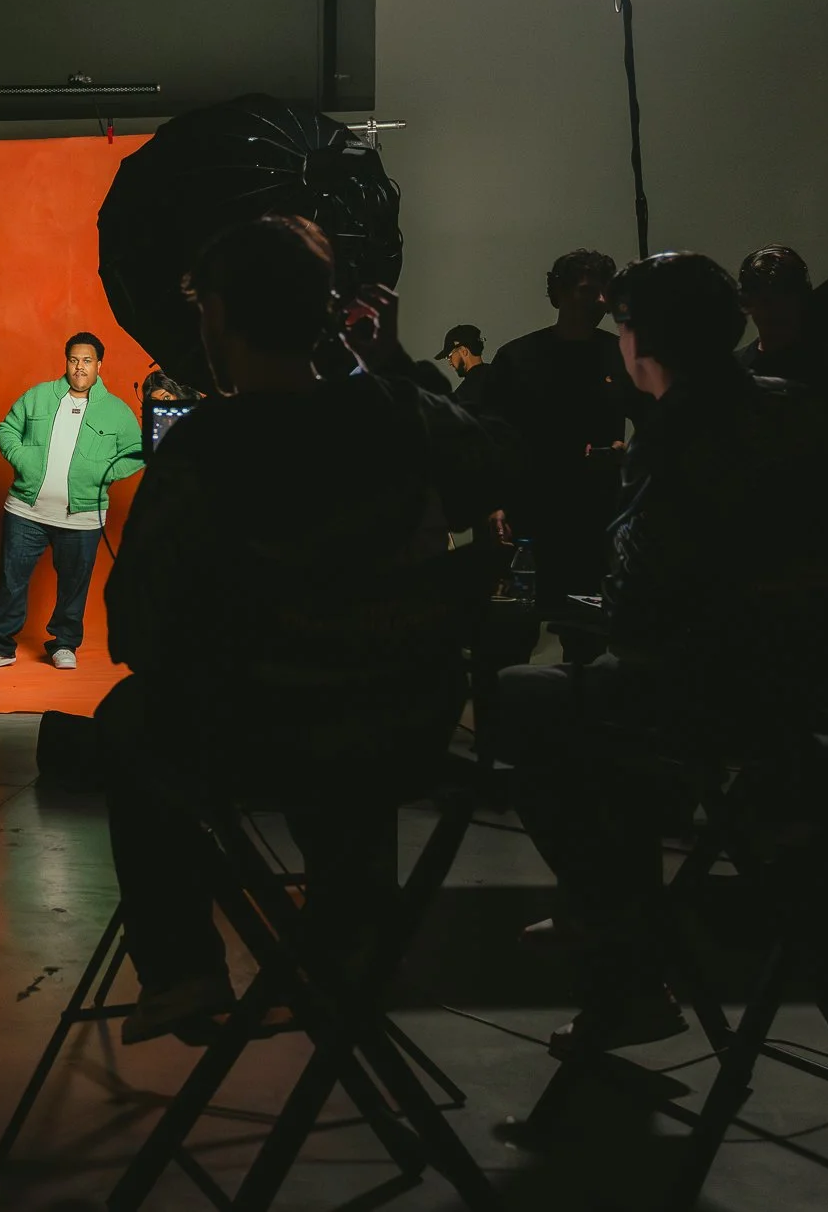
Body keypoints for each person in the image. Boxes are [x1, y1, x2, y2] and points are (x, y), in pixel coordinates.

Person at [97, 216, 518, 1042]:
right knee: (341, 728)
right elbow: (497, 472)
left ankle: (183, 971)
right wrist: (377, 368)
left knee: (130, 719)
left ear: (216, 315)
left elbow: (135, 632)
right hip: (407, 727)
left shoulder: (206, 448)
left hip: (268, 734)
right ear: (324, 314)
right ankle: (344, 953)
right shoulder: (404, 416)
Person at [498, 252, 828, 1051]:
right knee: (620, 765)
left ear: (642, 341)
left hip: (704, 697)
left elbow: (638, 610)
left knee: (523, 695)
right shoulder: (801, 408)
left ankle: (611, 927)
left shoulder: (674, 430)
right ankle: (624, 976)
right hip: (794, 691)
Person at [467, 251, 630, 621]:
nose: (601, 302)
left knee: (587, 636)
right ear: (559, 293)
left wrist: (625, 454)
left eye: (605, 293)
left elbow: (656, 423)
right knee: (512, 631)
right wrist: (493, 506)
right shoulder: (517, 358)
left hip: (594, 519)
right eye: (590, 292)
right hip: (529, 519)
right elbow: (488, 440)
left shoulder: (620, 355)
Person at [0, 333, 143, 673]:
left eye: (87, 360)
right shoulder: (39, 397)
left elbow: (137, 452)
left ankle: (64, 644)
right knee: (11, 579)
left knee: (74, 586)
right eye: (74, 360)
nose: (80, 367)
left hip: (82, 518)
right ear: (67, 362)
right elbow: (7, 429)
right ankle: (0, 646)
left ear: (99, 365)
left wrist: (102, 474)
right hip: (26, 511)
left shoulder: (116, 411)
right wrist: (23, 459)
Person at [735, 245, 828, 458]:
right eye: (765, 300)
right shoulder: (734, 369)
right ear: (748, 303)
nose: (773, 310)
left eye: (782, 298)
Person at [408, 324, 487, 398]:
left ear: (463, 351)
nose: (450, 363)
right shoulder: (496, 374)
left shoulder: (465, 394)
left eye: (449, 356)